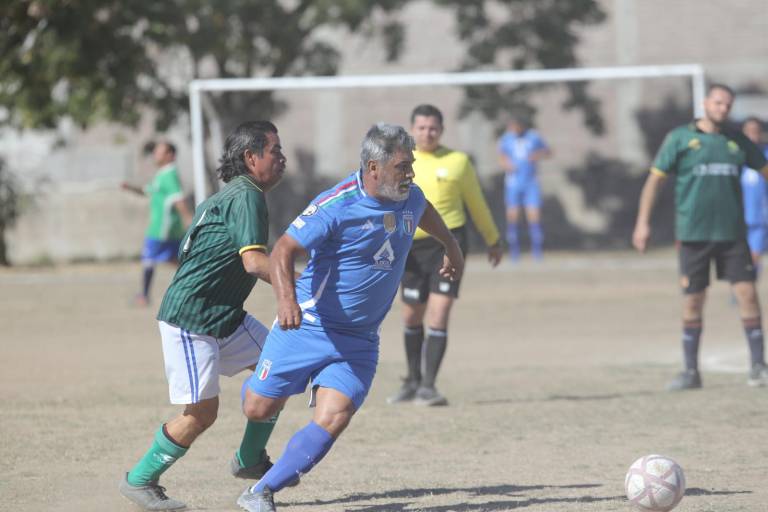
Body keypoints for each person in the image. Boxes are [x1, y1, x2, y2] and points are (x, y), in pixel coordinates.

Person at [235, 123, 465, 511]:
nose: (409, 173)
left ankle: (261, 491)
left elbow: (424, 210)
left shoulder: (410, 196)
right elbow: (283, 250)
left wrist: (451, 246)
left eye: (410, 165)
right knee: (257, 408)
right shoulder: (337, 204)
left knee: (335, 414)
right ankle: (248, 452)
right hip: (308, 324)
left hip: (359, 339)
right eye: (401, 166)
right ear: (373, 167)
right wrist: (286, 300)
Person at [119, 121, 289, 510]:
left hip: (225, 315)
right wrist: (296, 289)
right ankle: (140, 479)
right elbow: (253, 261)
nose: (282, 158)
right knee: (201, 413)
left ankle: (249, 460)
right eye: (274, 150)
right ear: (251, 157)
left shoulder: (230, 195)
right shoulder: (246, 196)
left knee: (281, 368)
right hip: (193, 319)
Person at [632, 84, 768, 391]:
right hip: (693, 235)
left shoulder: (737, 140)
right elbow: (655, 181)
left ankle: (759, 367)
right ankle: (691, 372)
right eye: (718, 103)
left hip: (732, 234)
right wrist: (643, 223)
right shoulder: (680, 139)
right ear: (706, 103)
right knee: (693, 299)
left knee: (747, 293)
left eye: (727, 105)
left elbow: (765, 170)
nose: (722, 109)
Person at [388, 104, 503, 407]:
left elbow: (476, 203)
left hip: (448, 245)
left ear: (442, 129)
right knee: (411, 313)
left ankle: (429, 385)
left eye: (433, 128)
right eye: (422, 127)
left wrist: (492, 239)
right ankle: (412, 380)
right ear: (412, 129)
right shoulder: (400, 161)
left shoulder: (458, 162)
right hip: (410, 249)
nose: (428, 133)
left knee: (439, 313)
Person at [122, 141, 193, 306]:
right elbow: (149, 191)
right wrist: (130, 187)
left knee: (149, 258)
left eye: (159, 152)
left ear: (170, 155)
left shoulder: (169, 175)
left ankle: (144, 296)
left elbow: (179, 200)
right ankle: (198, 286)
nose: (155, 155)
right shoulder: (162, 174)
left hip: (162, 228)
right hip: (168, 228)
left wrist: (191, 223)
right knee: (176, 260)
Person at [497, 114, 552, 261]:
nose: (512, 129)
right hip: (513, 184)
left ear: (521, 126)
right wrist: (506, 164)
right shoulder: (506, 138)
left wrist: (537, 154)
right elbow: (501, 156)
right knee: (513, 216)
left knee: (533, 215)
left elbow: (548, 151)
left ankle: (537, 251)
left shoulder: (533, 136)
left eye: (515, 127)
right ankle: (514, 252)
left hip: (530, 183)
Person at [740, 117, 768, 272]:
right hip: (737, 221)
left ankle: (740, 296)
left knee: (751, 265)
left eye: (756, 132)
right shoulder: (736, 157)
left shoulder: (765, 156)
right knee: (738, 266)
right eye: (749, 132)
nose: (753, 136)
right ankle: (737, 295)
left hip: (759, 220)